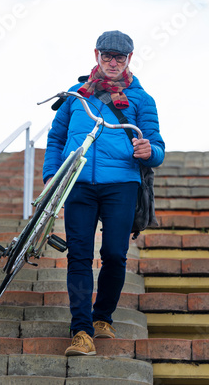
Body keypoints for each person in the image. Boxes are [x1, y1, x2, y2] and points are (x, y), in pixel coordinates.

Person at [42, 30, 165, 356]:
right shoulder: (76, 95)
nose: (112, 62)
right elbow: (56, 139)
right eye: (107, 56)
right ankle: (81, 331)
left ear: (129, 60)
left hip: (122, 185)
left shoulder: (141, 99)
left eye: (119, 57)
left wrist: (147, 151)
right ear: (96, 55)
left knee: (114, 253)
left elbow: (158, 148)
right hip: (78, 183)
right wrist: (51, 175)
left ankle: (103, 318)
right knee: (79, 256)